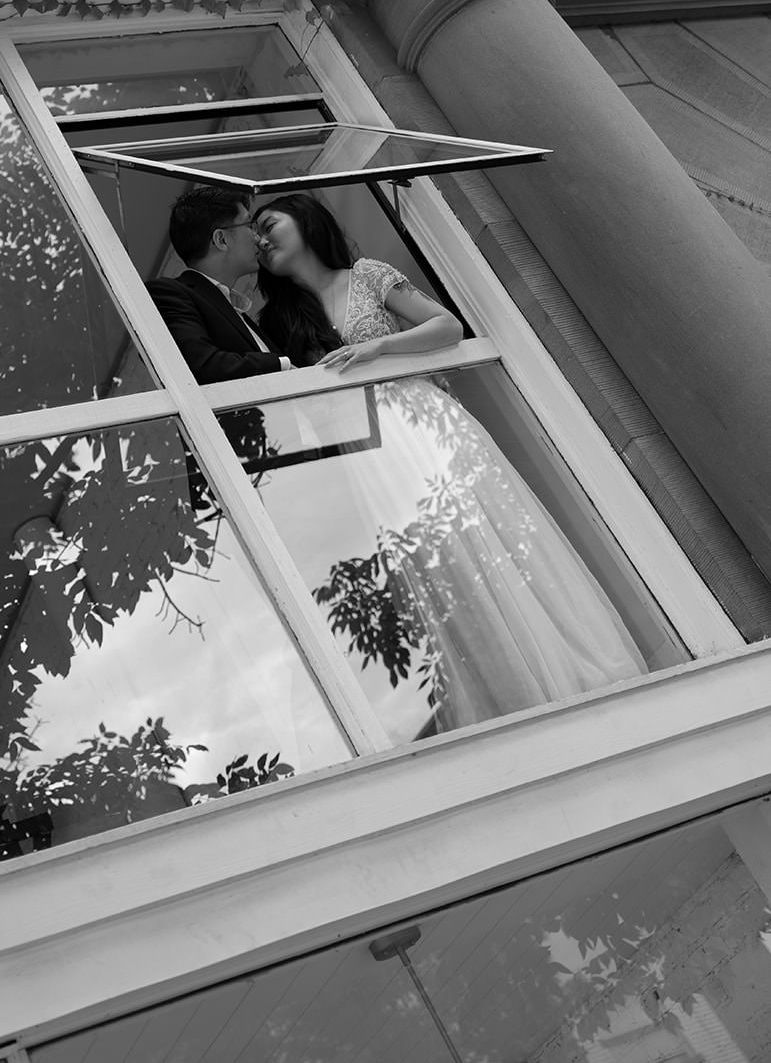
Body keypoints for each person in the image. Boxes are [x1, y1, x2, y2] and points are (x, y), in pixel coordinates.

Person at [253, 192, 648, 732]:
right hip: (368, 454)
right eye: (254, 235)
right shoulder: (277, 318)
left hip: (418, 419)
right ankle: (519, 695)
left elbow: (448, 327)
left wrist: (376, 350)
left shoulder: (367, 274)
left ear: (305, 221)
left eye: (269, 223)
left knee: (487, 532)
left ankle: (577, 670)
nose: (262, 238)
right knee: (441, 568)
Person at [147, 185, 292, 384]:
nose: (257, 238)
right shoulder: (169, 294)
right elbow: (202, 365)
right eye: (249, 225)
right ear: (221, 239)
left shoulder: (232, 307)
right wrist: (281, 363)